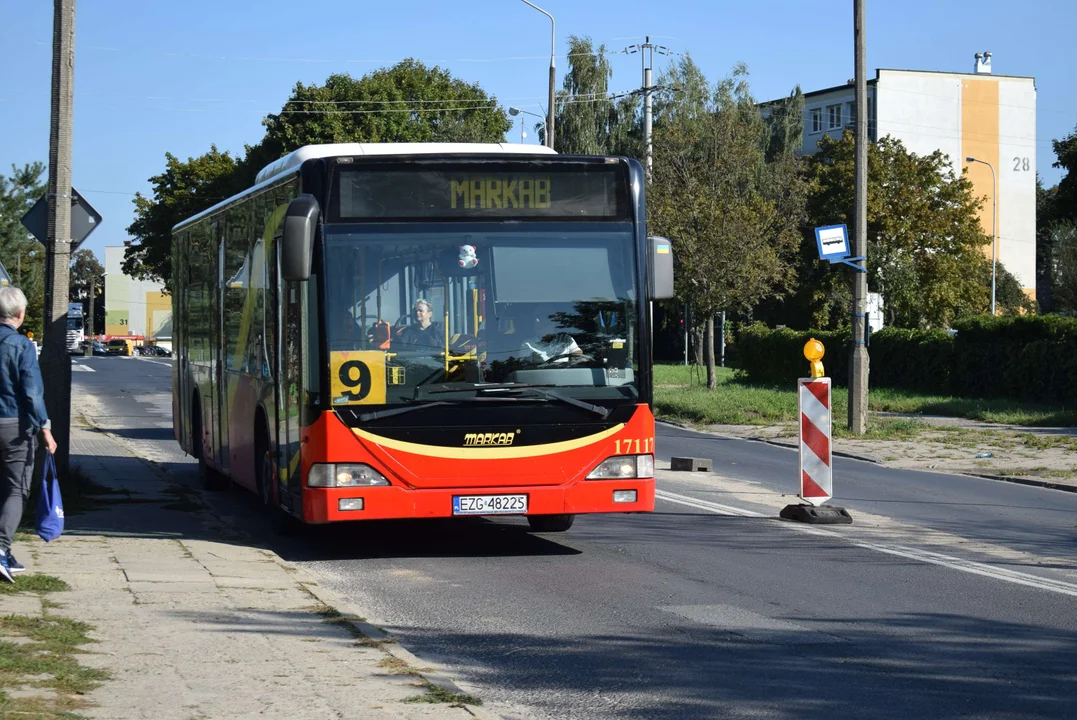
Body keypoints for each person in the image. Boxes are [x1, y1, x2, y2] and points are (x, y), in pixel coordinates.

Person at [0, 287, 56, 583]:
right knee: (15, 489)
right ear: (20, 315)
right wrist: (45, 427)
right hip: (13, 426)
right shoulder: (21, 346)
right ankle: (0, 548)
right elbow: (32, 393)